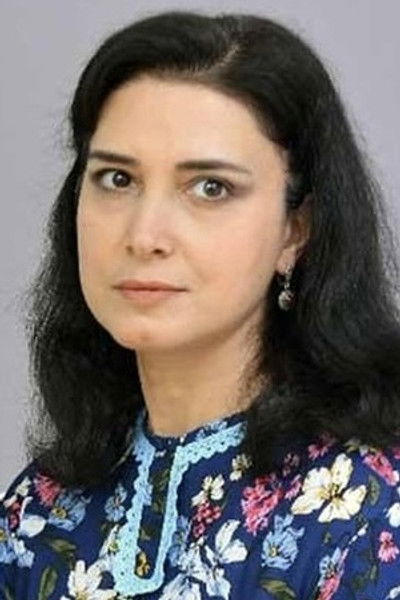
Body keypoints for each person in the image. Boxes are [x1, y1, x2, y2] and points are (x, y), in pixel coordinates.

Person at [1, 9, 400, 599]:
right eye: (117, 179)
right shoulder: (37, 516)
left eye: (210, 188)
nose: (145, 235)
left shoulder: (368, 516)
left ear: (296, 230)